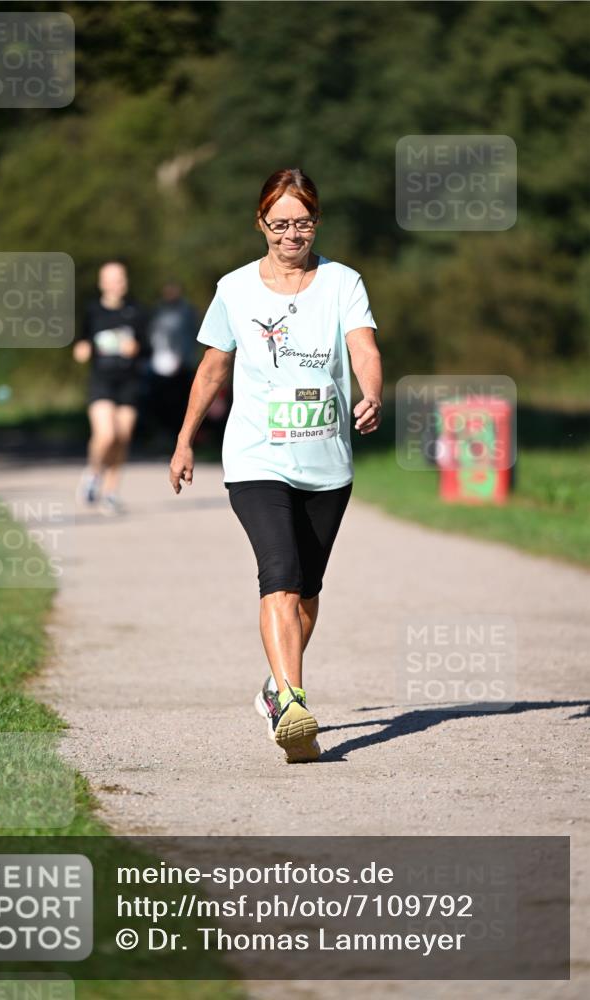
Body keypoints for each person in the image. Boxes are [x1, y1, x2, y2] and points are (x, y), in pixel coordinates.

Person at [169, 168, 382, 763]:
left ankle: (273, 686)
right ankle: (292, 705)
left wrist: (371, 392)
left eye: (304, 222)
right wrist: (185, 439)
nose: (293, 234)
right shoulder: (235, 288)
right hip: (256, 457)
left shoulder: (342, 282)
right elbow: (213, 368)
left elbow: (363, 346)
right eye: (281, 223)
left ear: (317, 221)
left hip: (326, 460)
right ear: (260, 223)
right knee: (280, 575)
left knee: (307, 592)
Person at [73, 260, 149, 515]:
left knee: (122, 437)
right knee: (106, 434)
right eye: (111, 279)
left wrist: (137, 349)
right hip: (101, 380)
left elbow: (147, 348)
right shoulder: (92, 311)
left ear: (125, 282)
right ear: (102, 283)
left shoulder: (136, 312)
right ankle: (93, 473)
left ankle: (110, 493)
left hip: (128, 382)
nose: (116, 284)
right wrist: (82, 349)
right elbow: (81, 341)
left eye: (120, 279)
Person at [143, 282, 199, 449]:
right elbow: (151, 335)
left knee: (180, 403)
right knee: (159, 403)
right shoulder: (157, 311)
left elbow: (192, 336)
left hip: (182, 366)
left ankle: (181, 438)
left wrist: (185, 358)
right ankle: (162, 435)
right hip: (159, 365)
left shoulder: (187, 312)